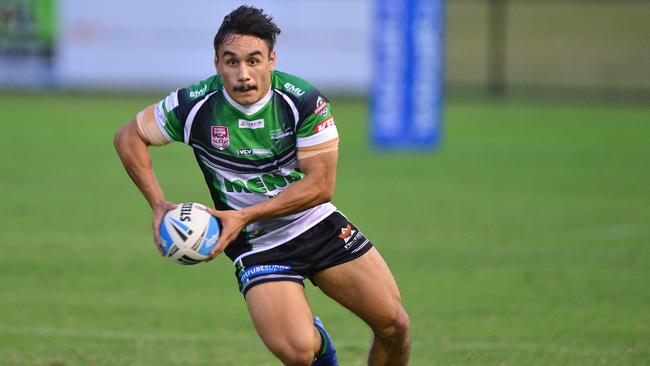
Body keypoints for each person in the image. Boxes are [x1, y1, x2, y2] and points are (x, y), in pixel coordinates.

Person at [114, 5, 410, 365]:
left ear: (272, 60)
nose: (243, 74)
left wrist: (243, 215)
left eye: (253, 61)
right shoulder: (194, 105)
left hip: (314, 223)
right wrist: (158, 204)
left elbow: (320, 186)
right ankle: (319, 342)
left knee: (394, 325)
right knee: (299, 352)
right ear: (216, 63)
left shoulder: (303, 102)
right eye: (231, 61)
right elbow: (129, 137)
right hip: (257, 245)